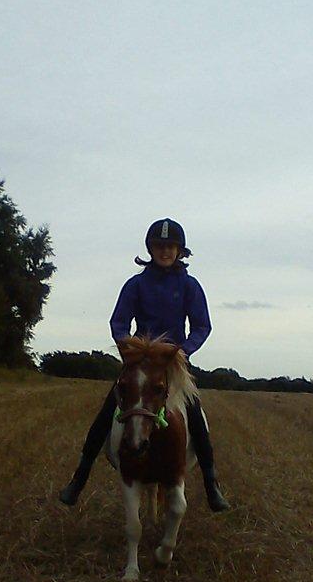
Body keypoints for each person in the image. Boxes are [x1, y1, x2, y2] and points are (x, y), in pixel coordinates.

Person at [59, 218, 230, 512]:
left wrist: (182, 352)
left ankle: (211, 483)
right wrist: (129, 348)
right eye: (159, 246)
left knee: (195, 415)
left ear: (179, 250)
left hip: (173, 363)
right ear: (150, 249)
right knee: (105, 414)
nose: (165, 251)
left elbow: (202, 326)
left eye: (170, 246)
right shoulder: (136, 284)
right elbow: (119, 321)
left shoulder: (190, 286)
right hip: (139, 361)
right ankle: (79, 477)